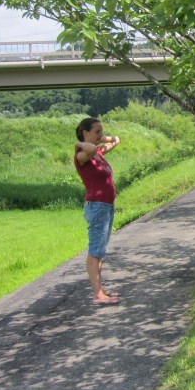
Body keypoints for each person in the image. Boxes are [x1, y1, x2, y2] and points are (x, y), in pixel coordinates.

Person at [74, 117, 121, 305]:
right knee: (95, 251)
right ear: (86, 133)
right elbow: (90, 149)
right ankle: (97, 295)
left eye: (102, 131)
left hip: (106, 205)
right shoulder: (81, 155)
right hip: (97, 205)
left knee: (100, 251)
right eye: (97, 132)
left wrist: (102, 138)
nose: (101, 135)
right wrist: (79, 142)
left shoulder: (98, 154)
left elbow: (117, 140)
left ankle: (100, 289)